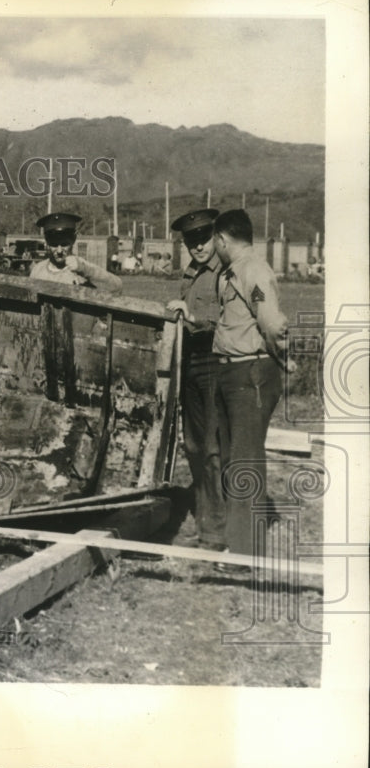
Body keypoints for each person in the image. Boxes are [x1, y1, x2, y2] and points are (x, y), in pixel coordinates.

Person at [211, 208, 294, 564]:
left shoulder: (252, 270)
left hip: (251, 374)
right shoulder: (235, 270)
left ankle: (244, 552)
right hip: (236, 372)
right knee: (237, 455)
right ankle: (241, 539)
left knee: (244, 458)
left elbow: (273, 324)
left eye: (215, 241)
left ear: (222, 240)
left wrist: (281, 354)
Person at [166, 208, 225, 551]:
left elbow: (226, 321)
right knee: (193, 445)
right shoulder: (191, 272)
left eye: (203, 238)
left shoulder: (224, 273)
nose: (198, 246)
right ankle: (205, 519)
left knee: (213, 449)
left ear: (215, 237)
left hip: (214, 362)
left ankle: (216, 531)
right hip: (190, 362)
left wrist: (191, 316)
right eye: (191, 240)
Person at [28, 213, 122, 294]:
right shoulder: (38, 270)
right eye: (54, 245)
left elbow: (117, 287)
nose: (60, 251)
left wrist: (84, 270)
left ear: (73, 240)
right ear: (47, 243)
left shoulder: (83, 268)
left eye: (64, 244)